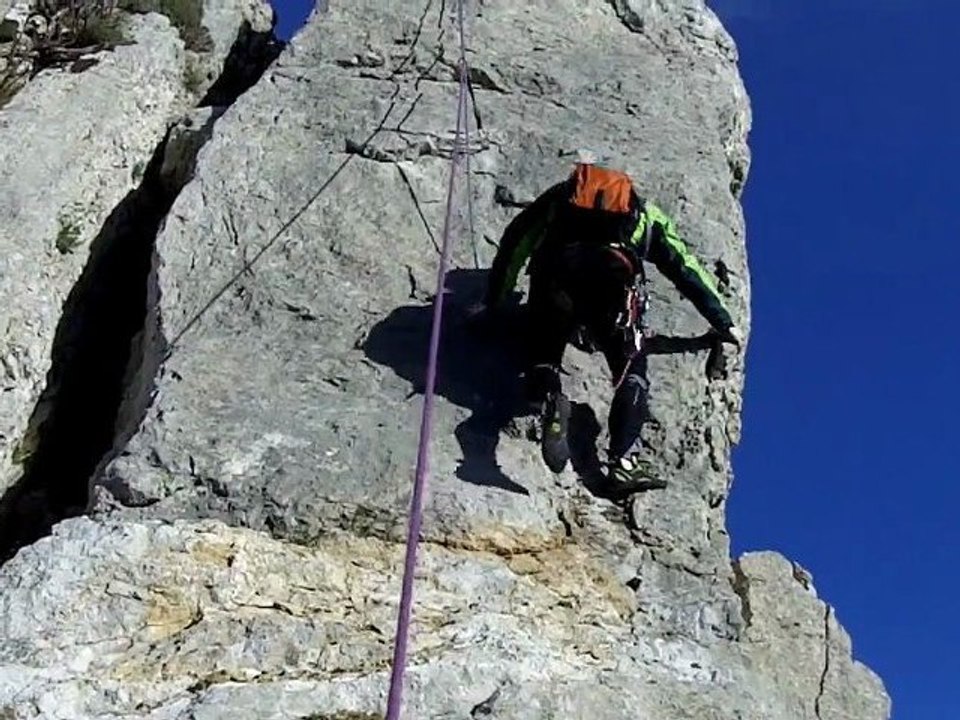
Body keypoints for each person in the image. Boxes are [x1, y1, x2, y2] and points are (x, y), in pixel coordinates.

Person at [472, 160, 743, 490]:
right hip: (613, 290)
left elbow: (516, 241)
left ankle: (549, 397)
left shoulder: (559, 198)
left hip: (556, 278)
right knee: (631, 368)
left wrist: (495, 303)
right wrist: (722, 320)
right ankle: (622, 462)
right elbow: (683, 265)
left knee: (543, 346)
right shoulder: (644, 214)